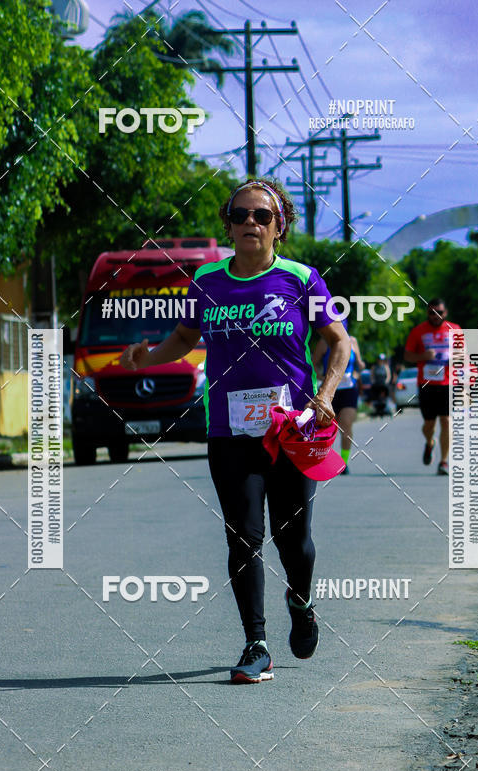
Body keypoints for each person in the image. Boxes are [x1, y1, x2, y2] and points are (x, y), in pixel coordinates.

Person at [120, 178, 350, 683]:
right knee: (243, 537)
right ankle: (256, 643)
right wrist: (146, 358)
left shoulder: (302, 279)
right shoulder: (206, 280)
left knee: (294, 541)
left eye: (262, 216)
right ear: (228, 226)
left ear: (279, 226)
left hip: (292, 432)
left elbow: (339, 341)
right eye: (240, 215)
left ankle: (302, 602)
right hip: (229, 431)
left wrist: (326, 394)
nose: (250, 222)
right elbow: (185, 337)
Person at [404, 299, 462, 475]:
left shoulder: (455, 329)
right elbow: (407, 356)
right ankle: (430, 443)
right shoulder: (418, 331)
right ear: (427, 313)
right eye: (432, 313)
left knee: (446, 420)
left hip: (448, 383)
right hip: (426, 384)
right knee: (429, 424)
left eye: (440, 312)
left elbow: (463, 354)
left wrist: (455, 360)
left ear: (446, 313)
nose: (436, 316)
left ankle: (444, 462)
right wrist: (423, 356)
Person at [312, 322, 364, 474]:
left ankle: (343, 462)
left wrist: (358, 371)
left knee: (345, 424)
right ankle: (322, 460)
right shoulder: (324, 342)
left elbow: (359, 364)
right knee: (325, 426)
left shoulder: (352, 341)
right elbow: (313, 363)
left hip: (349, 389)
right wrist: (321, 377)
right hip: (329, 390)